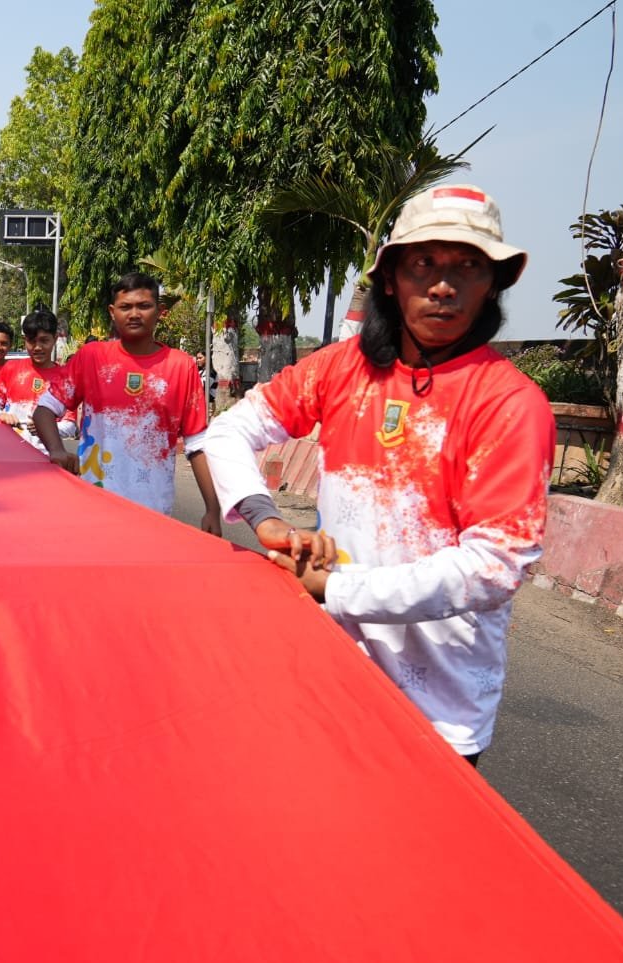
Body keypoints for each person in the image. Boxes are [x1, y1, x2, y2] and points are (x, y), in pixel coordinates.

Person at [201, 184, 553, 766]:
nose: (445, 285)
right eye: (425, 264)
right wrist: (265, 520)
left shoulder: (510, 402)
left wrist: (337, 590)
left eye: (469, 266)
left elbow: (494, 567)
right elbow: (229, 431)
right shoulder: (342, 368)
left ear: (494, 283)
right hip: (328, 675)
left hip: (438, 709)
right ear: (390, 278)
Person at [32, 274, 220, 535]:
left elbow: (197, 443)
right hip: (93, 507)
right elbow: (44, 409)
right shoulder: (92, 357)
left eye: (144, 306)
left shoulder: (181, 365)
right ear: (112, 312)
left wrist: (213, 509)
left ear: (160, 312)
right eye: (125, 307)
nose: (134, 314)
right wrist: (57, 450)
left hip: (153, 512)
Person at [0, 309, 76, 450]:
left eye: (44, 341)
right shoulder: (11, 368)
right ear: (25, 341)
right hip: (8, 451)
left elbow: (70, 425)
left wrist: (47, 428)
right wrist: (0, 415)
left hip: (47, 456)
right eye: (32, 342)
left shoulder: (66, 379)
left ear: (55, 338)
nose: (38, 347)